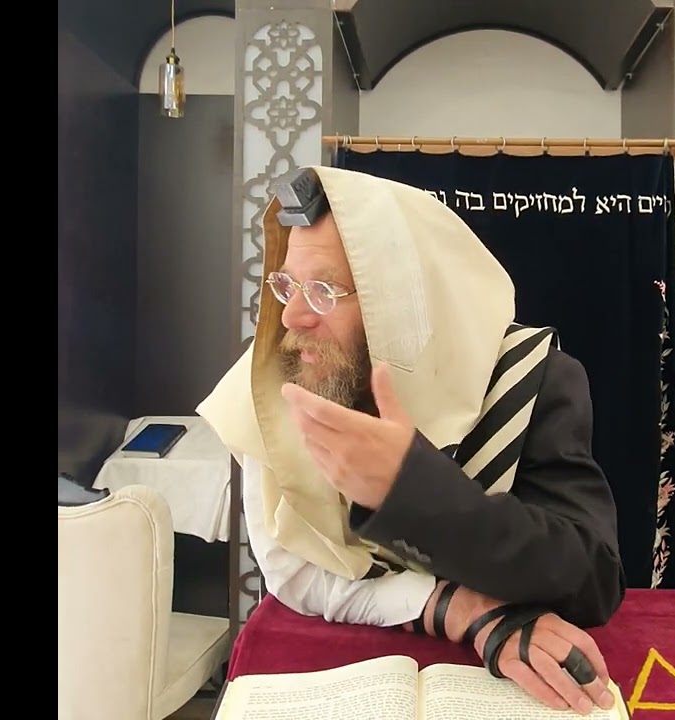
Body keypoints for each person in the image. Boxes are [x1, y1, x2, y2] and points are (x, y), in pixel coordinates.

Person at [198, 166, 626, 715]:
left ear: (400, 302)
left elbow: (590, 580)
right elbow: (292, 570)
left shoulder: (529, 376)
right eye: (287, 285)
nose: (292, 317)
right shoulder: (274, 378)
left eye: (323, 290)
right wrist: (453, 606)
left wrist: (413, 490)